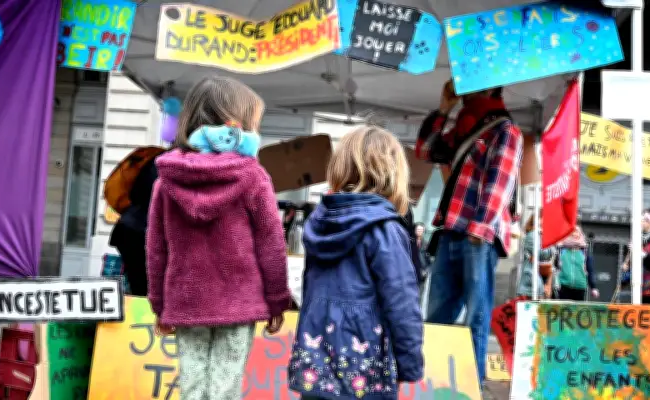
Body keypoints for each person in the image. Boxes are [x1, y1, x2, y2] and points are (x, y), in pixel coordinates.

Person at [146, 77, 290, 400]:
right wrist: (277, 298)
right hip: (240, 301)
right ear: (236, 123)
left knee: (193, 387)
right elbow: (272, 243)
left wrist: (158, 303)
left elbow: (156, 249)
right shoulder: (253, 176)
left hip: (185, 299)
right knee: (225, 388)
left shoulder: (166, 179)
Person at [288, 127, 424, 400]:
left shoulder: (320, 222)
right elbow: (401, 301)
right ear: (394, 173)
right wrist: (410, 364)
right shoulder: (385, 228)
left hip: (316, 361)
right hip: (364, 366)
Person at [415, 80, 523, 385]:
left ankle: (471, 383)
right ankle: (434, 380)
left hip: (478, 234)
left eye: (475, 82)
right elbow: (424, 151)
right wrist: (444, 108)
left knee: (476, 315)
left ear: (491, 88)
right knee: (438, 314)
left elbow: (499, 185)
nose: (467, 87)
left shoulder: (504, 130)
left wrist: (481, 227)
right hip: (451, 230)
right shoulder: (465, 128)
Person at [108, 152, 161, 296]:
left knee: (139, 283)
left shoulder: (155, 160)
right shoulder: (165, 166)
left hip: (129, 226)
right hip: (136, 230)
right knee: (142, 286)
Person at [620, 209, 650, 305]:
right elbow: (632, 265)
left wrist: (640, 253)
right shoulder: (637, 240)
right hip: (640, 291)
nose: (641, 222)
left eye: (644, 220)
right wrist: (626, 266)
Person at [516, 215, 556, 298]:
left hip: (541, 279)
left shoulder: (543, 235)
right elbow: (542, 254)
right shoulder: (532, 235)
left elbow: (551, 258)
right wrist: (550, 241)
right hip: (531, 279)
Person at [556, 226, 599, 301]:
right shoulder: (561, 250)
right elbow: (556, 267)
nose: (574, 234)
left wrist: (593, 287)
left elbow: (590, 270)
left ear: (580, 234)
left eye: (576, 232)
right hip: (563, 286)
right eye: (572, 232)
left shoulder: (585, 252)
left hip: (580, 287)